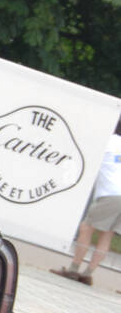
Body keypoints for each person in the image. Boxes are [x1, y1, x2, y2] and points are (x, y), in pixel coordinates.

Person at [55, 121, 121, 287]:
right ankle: (88, 273)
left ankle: (74, 269)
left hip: (110, 194)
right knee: (107, 234)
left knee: (86, 228)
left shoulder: (109, 141)